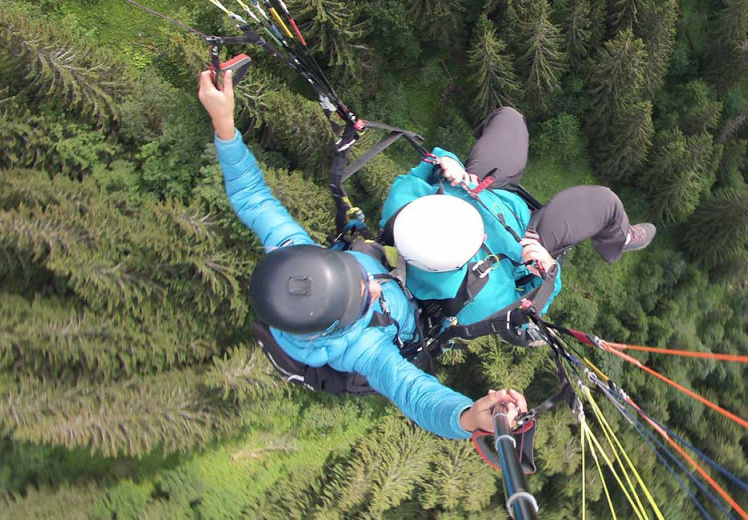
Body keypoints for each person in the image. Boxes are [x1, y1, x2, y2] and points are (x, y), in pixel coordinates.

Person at [197, 68, 526, 440]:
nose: (371, 285)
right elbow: (415, 395)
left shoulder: (295, 254)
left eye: (356, 274)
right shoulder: (362, 349)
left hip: (407, 260)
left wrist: (223, 122)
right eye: (364, 295)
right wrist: (468, 419)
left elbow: (251, 197)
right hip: (426, 308)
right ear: (341, 324)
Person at [381, 107, 655, 338]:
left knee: (509, 117)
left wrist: (450, 164)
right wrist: (549, 273)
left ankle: (481, 164)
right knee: (605, 203)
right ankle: (621, 238)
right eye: (479, 239)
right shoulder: (477, 301)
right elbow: (525, 314)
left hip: (480, 187)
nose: (484, 236)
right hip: (527, 241)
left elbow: (429, 163)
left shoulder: (402, 211)